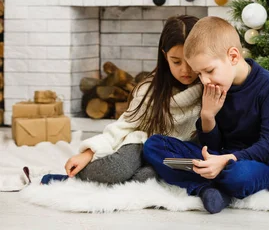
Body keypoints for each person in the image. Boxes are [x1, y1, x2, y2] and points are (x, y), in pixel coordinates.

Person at [143, 16, 269, 214]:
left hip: (267, 164)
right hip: (223, 157)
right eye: (199, 74)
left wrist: (226, 159)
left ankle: (205, 185)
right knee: (154, 146)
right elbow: (213, 147)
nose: (204, 80)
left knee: (237, 176)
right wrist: (208, 116)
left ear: (233, 56)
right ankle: (206, 189)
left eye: (209, 71)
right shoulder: (216, 85)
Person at [56, 15, 203, 185]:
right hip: (141, 142)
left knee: (145, 178)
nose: (185, 70)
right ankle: (66, 180)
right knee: (117, 169)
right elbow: (123, 125)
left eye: (191, 61)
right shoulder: (150, 89)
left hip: (172, 155)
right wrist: (88, 153)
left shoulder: (211, 90)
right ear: (164, 56)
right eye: (176, 61)